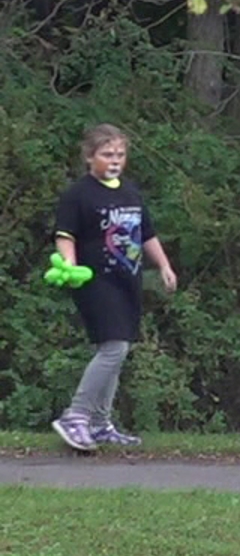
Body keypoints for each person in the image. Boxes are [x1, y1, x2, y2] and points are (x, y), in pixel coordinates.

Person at [48, 124, 178, 452]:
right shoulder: (79, 194)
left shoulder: (130, 193)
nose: (115, 160)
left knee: (114, 350)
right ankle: (75, 415)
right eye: (107, 154)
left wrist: (163, 265)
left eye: (120, 154)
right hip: (95, 281)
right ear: (90, 157)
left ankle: (99, 422)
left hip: (127, 281)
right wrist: (71, 266)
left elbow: (146, 233)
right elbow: (66, 234)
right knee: (114, 348)